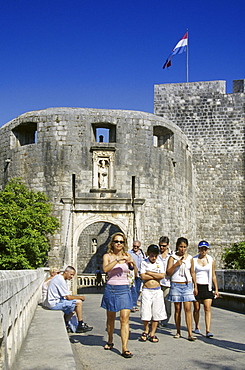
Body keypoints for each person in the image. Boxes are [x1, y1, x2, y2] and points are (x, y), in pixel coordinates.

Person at [101, 232, 136, 358]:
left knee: (124, 318)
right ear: (112, 243)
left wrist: (132, 263)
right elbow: (105, 269)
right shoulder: (108, 256)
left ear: (124, 244)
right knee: (111, 318)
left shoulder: (128, 255)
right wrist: (117, 260)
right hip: (111, 288)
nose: (119, 244)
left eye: (121, 242)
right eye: (116, 241)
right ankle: (110, 339)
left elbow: (134, 272)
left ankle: (124, 347)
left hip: (125, 289)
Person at [45, 265, 93, 333]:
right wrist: (80, 297)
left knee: (73, 308)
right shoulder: (60, 280)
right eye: (71, 274)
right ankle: (80, 324)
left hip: (54, 302)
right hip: (54, 303)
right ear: (66, 272)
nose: (72, 277)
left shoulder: (58, 277)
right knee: (78, 302)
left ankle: (67, 323)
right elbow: (68, 297)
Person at [166, 237, 197, 341]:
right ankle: (178, 331)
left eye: (184, 247)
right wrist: (176, 265)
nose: (182, 249)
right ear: (177, 247)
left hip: (187, 285)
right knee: (178, 309)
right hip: (176, 284)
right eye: (181, 247)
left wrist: (195, 286)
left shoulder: (190, 258)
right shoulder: (172, 258)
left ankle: (190, 333)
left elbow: (192, 272)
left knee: (188, 309)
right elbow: (168, 273)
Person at [191, 240, 219, 338]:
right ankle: (197, 326)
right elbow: (193, 273)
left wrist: (216, 289)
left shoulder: (211, 260)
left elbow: (213, 275)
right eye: (201, 248)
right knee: (196, 308)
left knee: (207, 308)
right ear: (199, 249)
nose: (203, 250)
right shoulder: (194, 260)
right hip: (197, 285)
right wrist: (194, 286)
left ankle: (208, 330)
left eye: (205, 249)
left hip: (207, 286)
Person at [140, 244, 167, 343]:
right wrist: (155, 275)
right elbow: (143, 276)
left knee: (156, 312)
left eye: (155, 256)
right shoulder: (144, 262)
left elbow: (162, 276)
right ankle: (146, 330)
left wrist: (149, 273)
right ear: (148, 254)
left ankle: (153, 333)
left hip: (157, 290)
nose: (154, 258)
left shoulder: (160, 262)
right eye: (152, 255)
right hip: (147, 290)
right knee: (146, 312)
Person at [157, 236, 172, 327]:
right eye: (160, 246)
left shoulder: (172, 255)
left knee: (167, 302)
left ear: (168, 245)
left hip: (167, 282)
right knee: (157, 302)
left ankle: (165, 320)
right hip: (158, 282)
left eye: (164, 246)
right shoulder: (156, 255)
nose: (162, 248)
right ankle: (157, 319)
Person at [128, 240, 145, 312]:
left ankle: (134, 302)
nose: (135, 248)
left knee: (138, 290)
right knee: (133, 290)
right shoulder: (129, 253)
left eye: (137, 246)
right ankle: (133, 305)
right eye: (134, 246)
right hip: (132, 274)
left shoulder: (142, 254)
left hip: (140, 274)